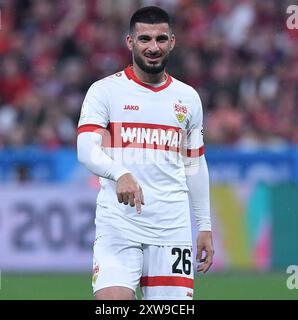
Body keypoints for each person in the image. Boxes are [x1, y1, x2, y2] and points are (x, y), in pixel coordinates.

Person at [77, 6, 214, 300]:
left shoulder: (188, 98)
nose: (154, 47)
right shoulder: (105, 91)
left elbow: (195, 164)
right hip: (118, 226)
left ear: (173, 42)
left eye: (161, 39)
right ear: (130, 42)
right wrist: (121, 173)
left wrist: (204, 226)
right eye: (145, 39)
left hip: (171, 229)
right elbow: (86, 149)